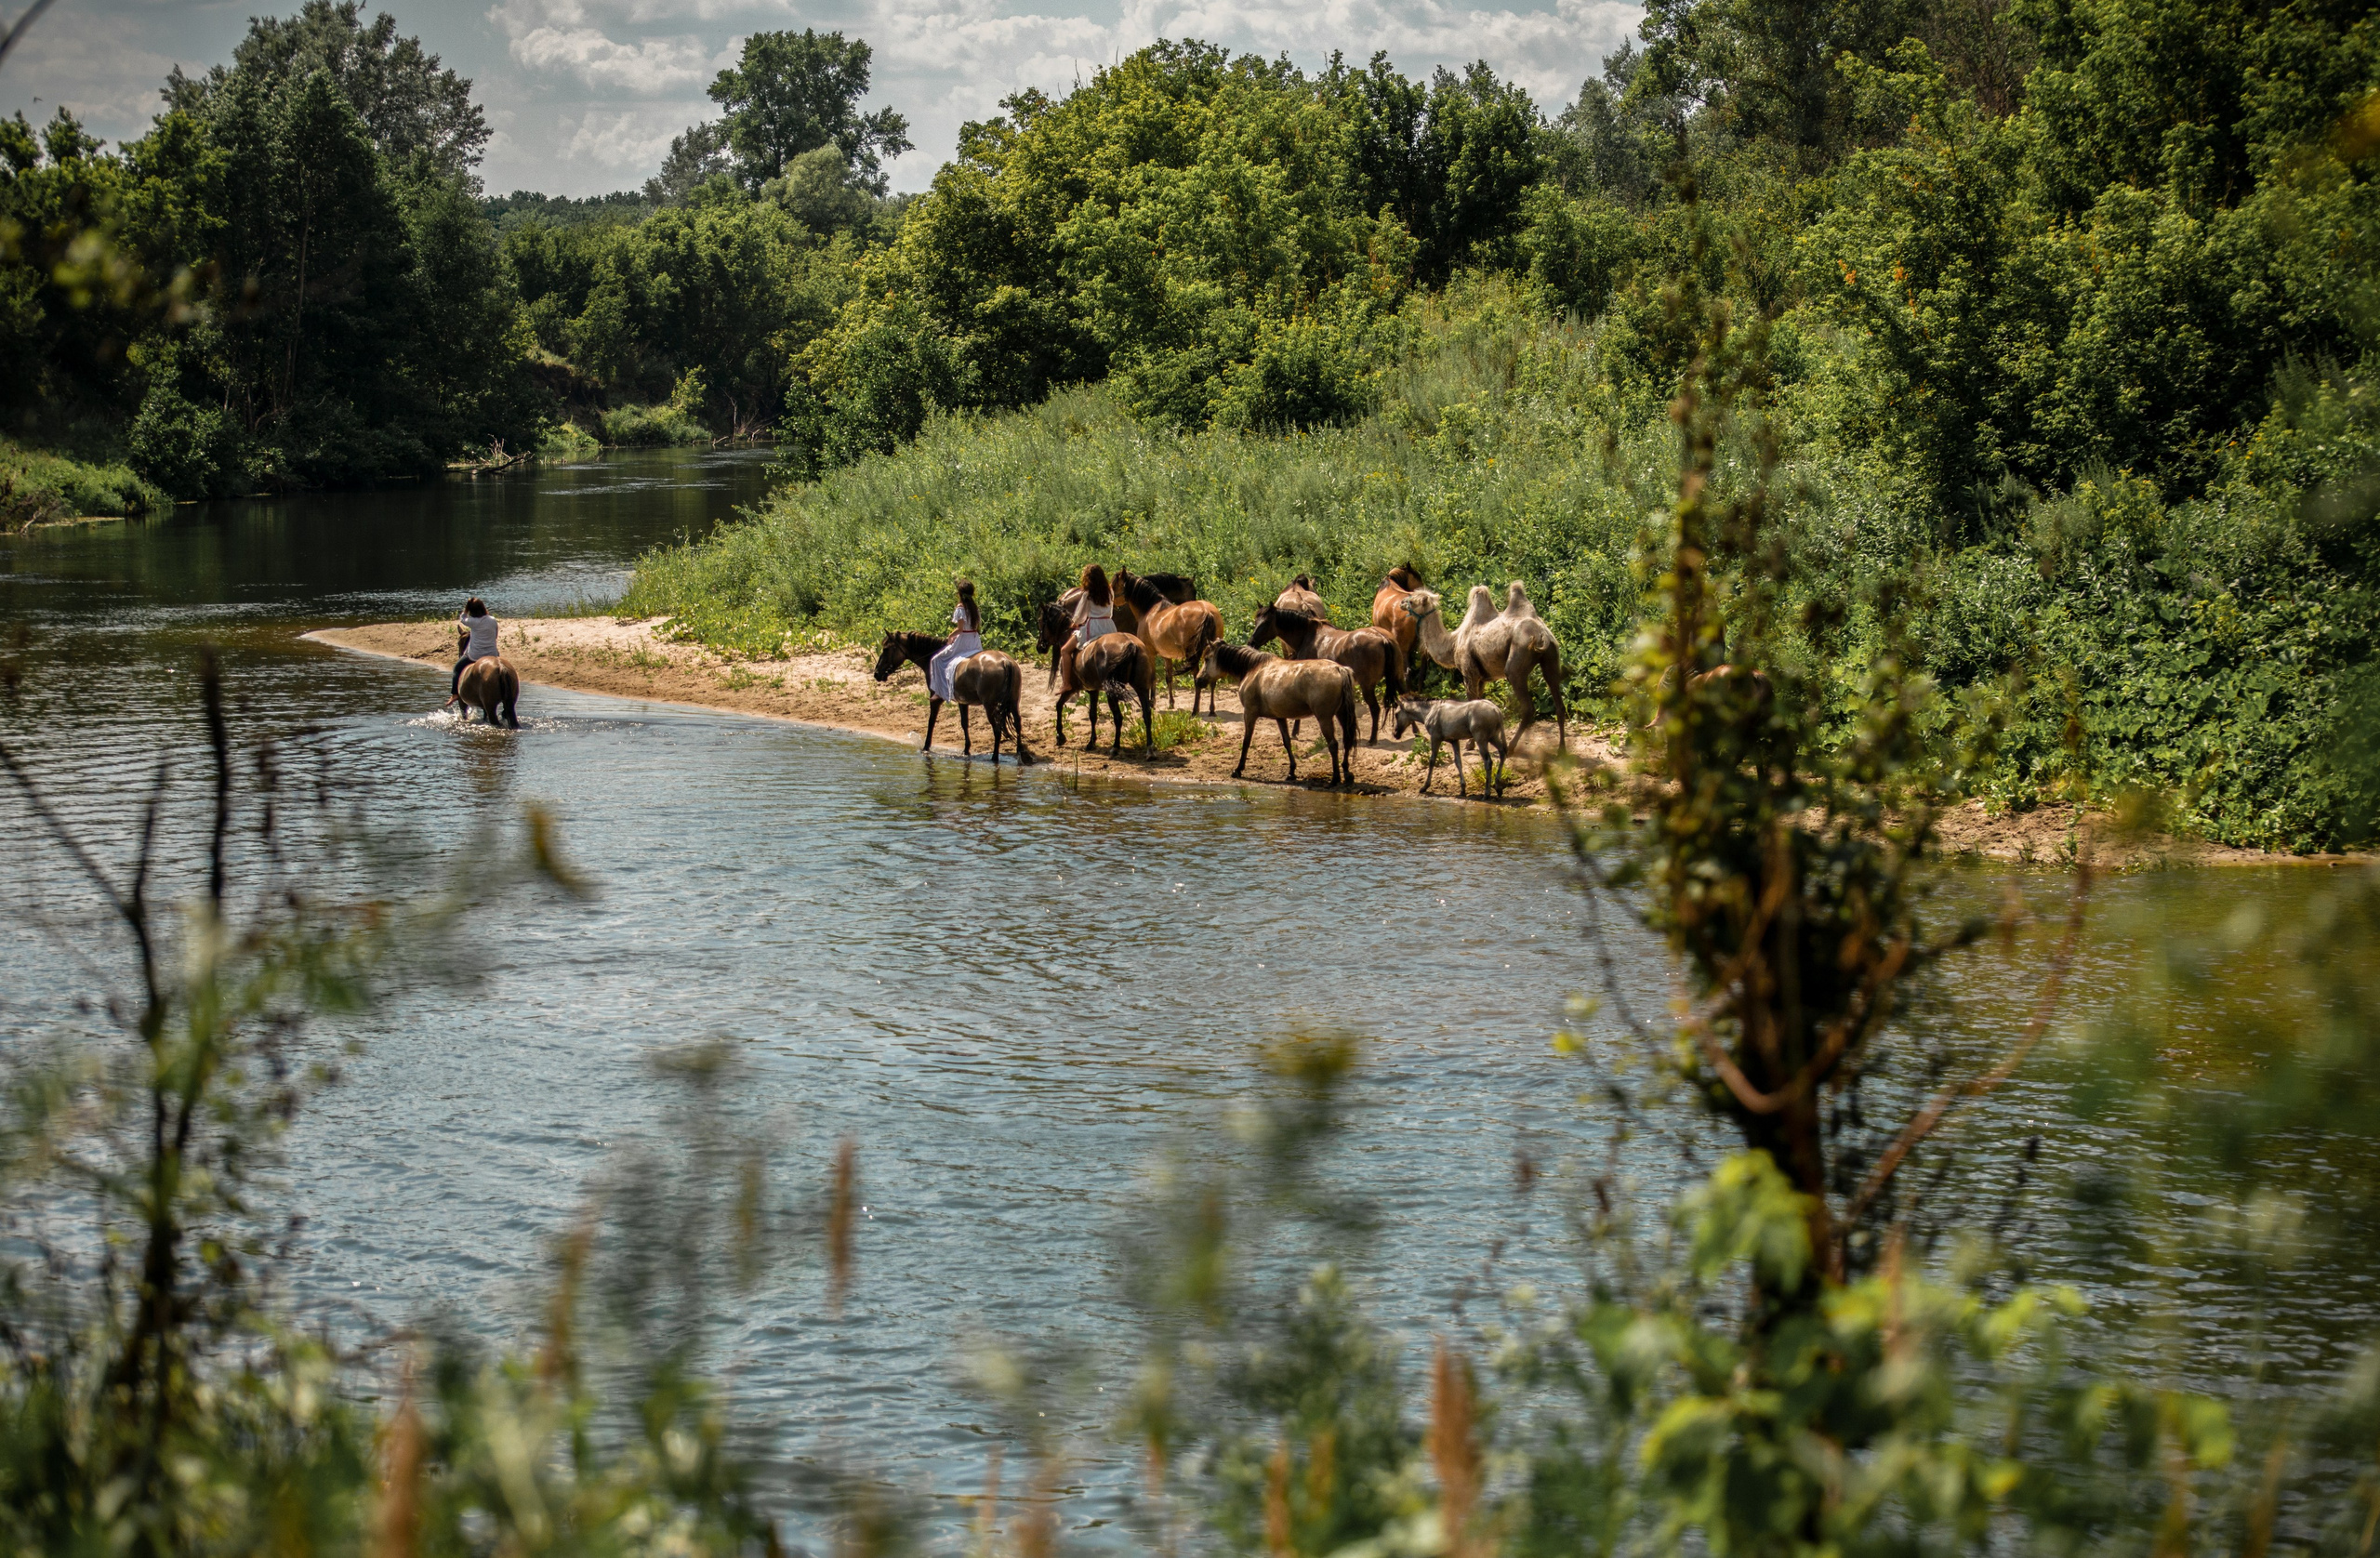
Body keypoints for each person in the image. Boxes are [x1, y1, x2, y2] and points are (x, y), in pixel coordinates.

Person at [927, 579, 984, 704]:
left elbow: (960, 629)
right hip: (974, 640)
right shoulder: (975, 608)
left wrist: (950, 636)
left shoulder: (961, 608)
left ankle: (940, 692)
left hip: (964, 641)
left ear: (960, 594)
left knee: (937, 660)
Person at [447, 596, 500, 705]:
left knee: (457, 668)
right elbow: (495, 636)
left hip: (475, 655)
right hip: (492, 654)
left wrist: (465, 610)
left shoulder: (473, 622)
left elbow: (462, 618)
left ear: (472, 611)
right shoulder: (492, 620)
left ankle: (455, 694)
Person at [1070, 563, 1117, 645]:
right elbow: (1110, 611)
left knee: (1065, 650)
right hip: (1109, 626)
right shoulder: (1110, 592)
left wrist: (1075, 623)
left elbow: (1081, 614)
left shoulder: (1088, 594)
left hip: (1093, 627)